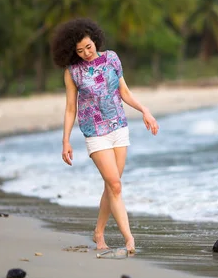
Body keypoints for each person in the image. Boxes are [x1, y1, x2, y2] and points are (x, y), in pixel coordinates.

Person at [51, 18, 159, 253]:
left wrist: (145, 111)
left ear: (95, 40)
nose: (86, 53)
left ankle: (99, 232)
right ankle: (129, 239)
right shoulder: (73, 72)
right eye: (79, 51)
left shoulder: (111, 58)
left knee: (112, 187)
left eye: (88, 47)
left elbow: (124, 92)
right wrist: (66, 140)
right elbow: (71, 108)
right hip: (94, 132)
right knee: (115, 185)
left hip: (119, 127)